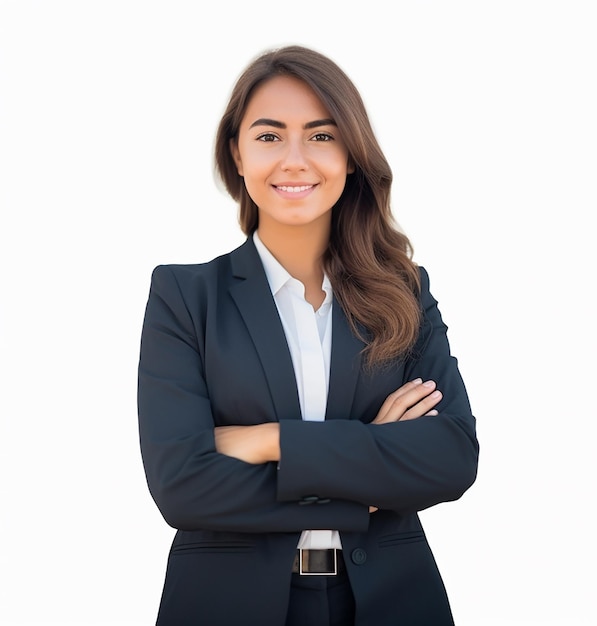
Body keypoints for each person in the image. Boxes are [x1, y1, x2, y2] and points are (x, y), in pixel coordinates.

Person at [137, 44, 479, 626]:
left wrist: (267, 440)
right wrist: (368, 476)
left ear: (350, 155)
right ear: (237, 155)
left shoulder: (404, 292)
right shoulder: (184, 296)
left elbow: (450, 456)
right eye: (269, 136)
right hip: (225, 604)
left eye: (321, 136)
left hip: (392, 601)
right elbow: (182, 487)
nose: (295, 158)